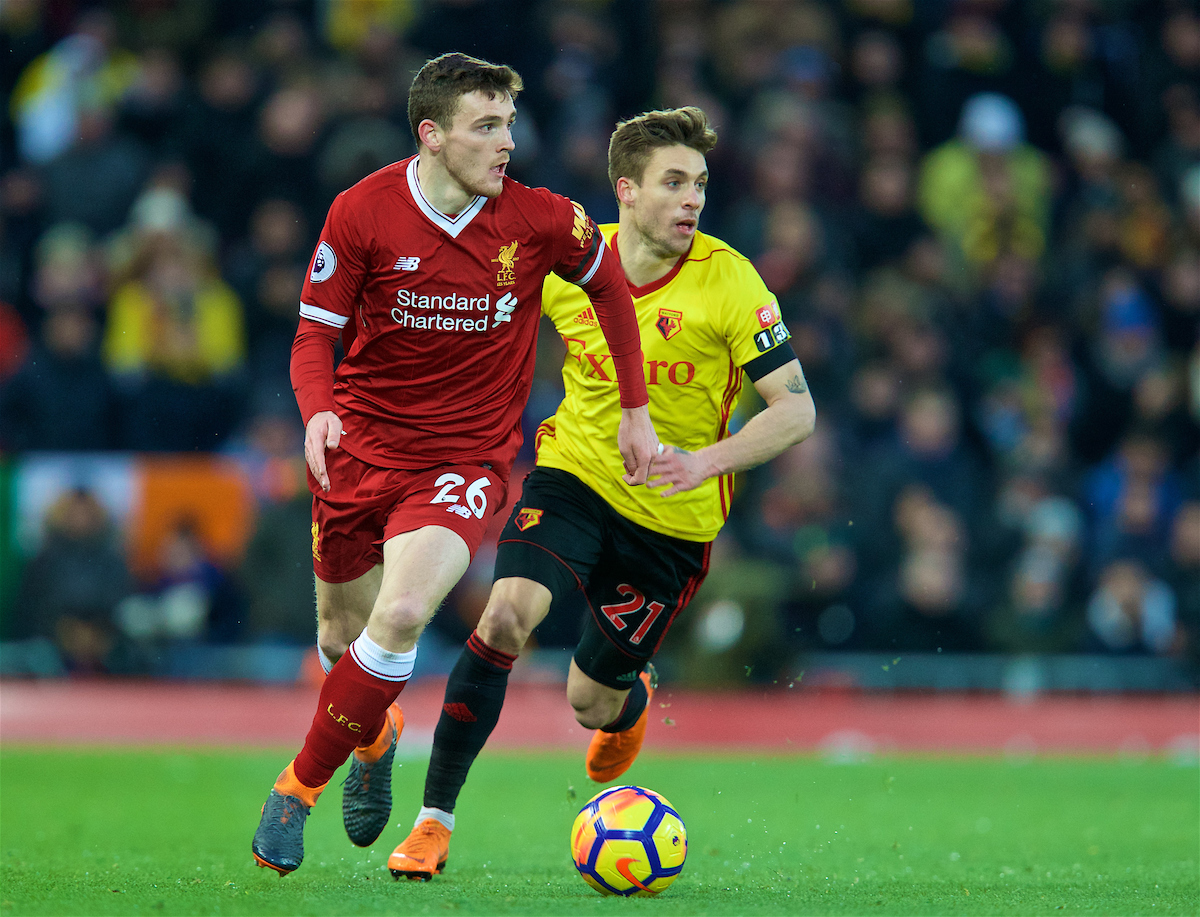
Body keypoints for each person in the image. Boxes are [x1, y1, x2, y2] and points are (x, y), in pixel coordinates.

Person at [250, 52, 658, 876]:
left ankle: (294, 790)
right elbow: (314, 334)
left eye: (509, 123)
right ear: (433, 136)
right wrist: (318, 411)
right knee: (341, 636)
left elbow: (610, 287)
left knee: (401, 614)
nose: (507, 141)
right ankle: (376, 736)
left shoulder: (541, 219)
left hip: (464, 460)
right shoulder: (361, 211)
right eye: (487, 126)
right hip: (359, 452)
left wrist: (635, 406)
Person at [387, 106, 816, 881]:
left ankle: (629, 699)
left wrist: (705, 460)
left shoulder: (730, 279)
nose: (694, 200)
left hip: (673, 520)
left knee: (591, 699)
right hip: (575, 477)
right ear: (626, 190)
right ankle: (432, 823)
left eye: (702, 185)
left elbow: (797, 409)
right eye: (675, 183)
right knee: (506, 613)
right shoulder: (570, 264)